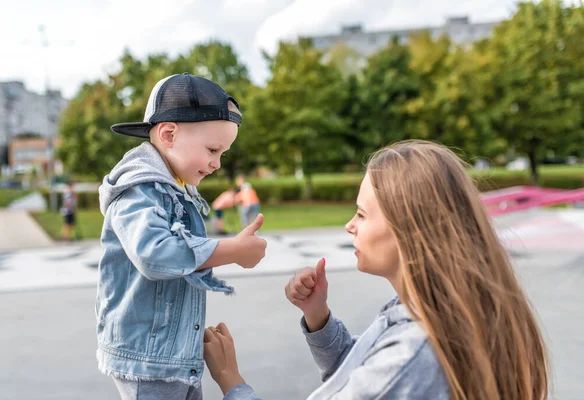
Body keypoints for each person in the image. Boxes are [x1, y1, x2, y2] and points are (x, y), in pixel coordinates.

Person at [203, 140, 549, 400]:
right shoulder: (437, 315)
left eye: (362, 214)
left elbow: (381, 381)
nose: (349, 226)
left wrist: (231, 381)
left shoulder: (414, 354)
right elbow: (361, 376)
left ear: (410, 228)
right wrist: (317, 317)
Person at [96, 73, 267, 400]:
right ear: (169, 134)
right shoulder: (138, 192)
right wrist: (231, 250)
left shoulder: (174, 189)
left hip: (171, 356)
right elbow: (154, 254)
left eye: (223, 154)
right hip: (148, 362)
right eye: (213, 149)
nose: (216, 164)